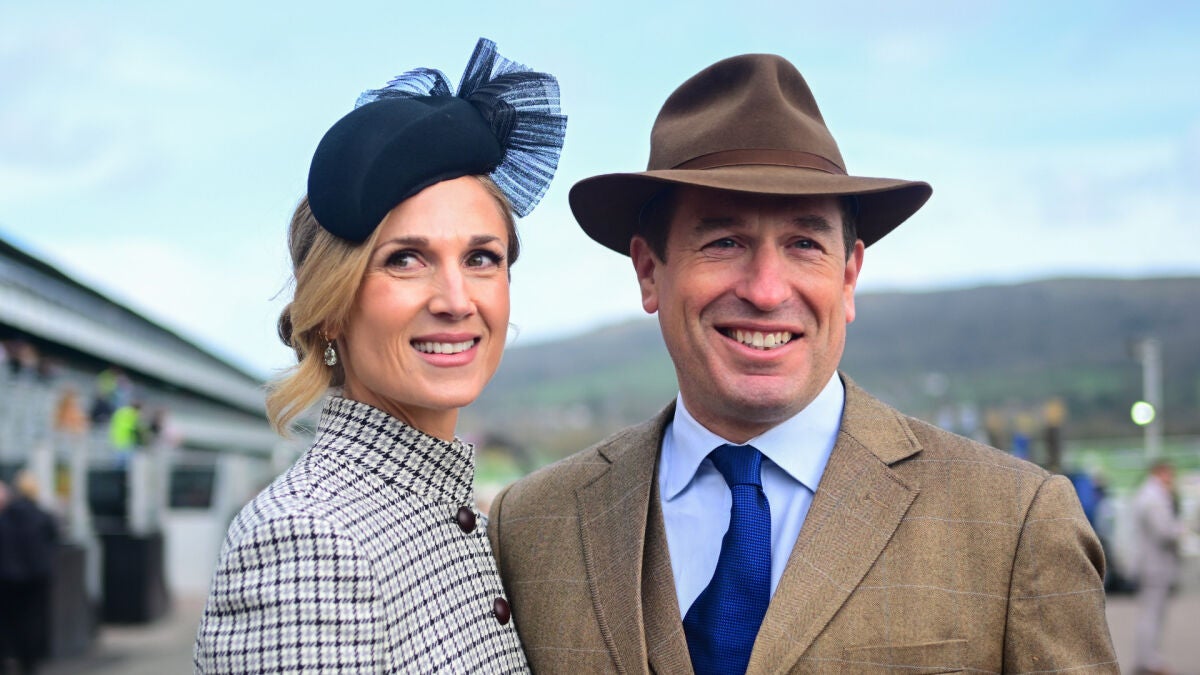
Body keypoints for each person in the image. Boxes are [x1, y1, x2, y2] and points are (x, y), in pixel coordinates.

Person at [487, 53, 1116, 673]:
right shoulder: (531, 527)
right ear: (650, 272)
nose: (766, 291)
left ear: (848, 276)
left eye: (804, 244)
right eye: (724, 241)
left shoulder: (1017, 521)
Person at [194, 37, 565, 673]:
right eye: (405, 259)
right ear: (332, 306)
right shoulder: (308, 542)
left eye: (481, 258)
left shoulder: (449, 514)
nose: (456, 301)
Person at [0, 472, 59, 675]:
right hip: (36, 577)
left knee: (8, 621)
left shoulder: (6, 517)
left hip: (7, 578)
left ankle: (8, 659)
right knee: (31, 620)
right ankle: (29, 662)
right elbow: (53, 538)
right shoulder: (42, 516)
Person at [1132, 461, 1188, 675]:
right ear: (1161, 473)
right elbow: (1164, 531)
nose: (1172, 480)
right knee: (1152, 615)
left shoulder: (1146, 494)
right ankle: (1149, 661)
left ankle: (1147, 658)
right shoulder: (1154, 497)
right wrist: (1181, 529)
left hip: (1151, 564)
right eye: (1169, 475)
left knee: (1151, 614)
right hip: (1155, 566)